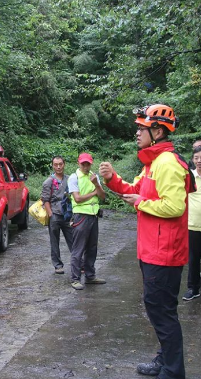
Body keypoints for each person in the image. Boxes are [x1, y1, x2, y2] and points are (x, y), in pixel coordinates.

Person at [100, 104, 191, 379]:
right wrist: (112, 179)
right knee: (159, 309)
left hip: (164, 253)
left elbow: (174, 206)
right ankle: (165, 359)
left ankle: (173, 371)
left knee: (162, 312)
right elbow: (134, 190)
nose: (137, 133)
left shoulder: (169, 163)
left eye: (142, 128)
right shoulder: (152, 162)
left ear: (158, 130)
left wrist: (141, 203)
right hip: (152, 250)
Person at [68, 152, 106, 290]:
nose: (85, 166)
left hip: (93, 215)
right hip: (80, 216)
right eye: (83, 163)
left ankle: (90, 276)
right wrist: (94, 192)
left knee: (92, 248)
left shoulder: (94, 177)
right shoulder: (74, 177)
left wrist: (96, 184)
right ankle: (75, 279)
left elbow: (103, 197)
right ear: (79, 163)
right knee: (78, 249)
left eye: (88, 163)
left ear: (91, 163)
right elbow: (77, 198)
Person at [41, 156, 74, 274]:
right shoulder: (48, 181)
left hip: (67, 215)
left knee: (73, 239)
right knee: (54, 241)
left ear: (64, 164)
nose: (58, 167)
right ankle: (58, 265)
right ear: (52, 165)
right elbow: (45, 200)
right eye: (56, 164)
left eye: (60, 164)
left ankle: (78, 263)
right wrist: (50, 214)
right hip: (54, 214)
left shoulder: (69, 179)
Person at [183, 146, 201, 301]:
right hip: (193, 225)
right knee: (193, 259)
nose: (199, 161)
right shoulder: (189, 176)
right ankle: (193, 288)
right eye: (196, 158)